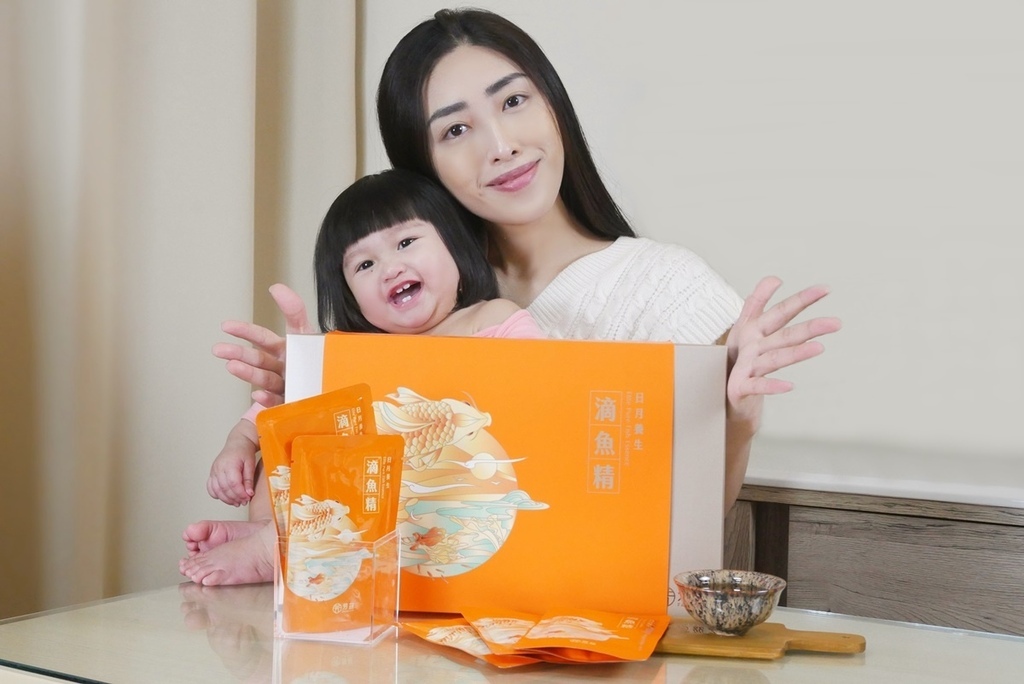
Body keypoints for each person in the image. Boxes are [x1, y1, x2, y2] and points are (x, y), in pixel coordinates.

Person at [184, 8, 840, 586]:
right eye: (455, 130)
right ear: (422, 165)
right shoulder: (410, 302)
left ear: (553, 105)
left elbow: (680, 534)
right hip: (409, 629)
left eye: (514, 101)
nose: (502, 146)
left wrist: (735, 419)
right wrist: (300, 395)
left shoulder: (667, 287)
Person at [182, 168, 543, 585]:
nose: (390, 269)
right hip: (365, 499)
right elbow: (264, 417)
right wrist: (238, 446)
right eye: (365, 264)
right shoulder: (355, 351)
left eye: (405, 243)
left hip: (451, 485)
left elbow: (545, 391)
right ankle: (271, 532)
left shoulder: (491, 317)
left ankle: (273, 550)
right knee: (290, 437)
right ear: (350, 296)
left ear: (454, 243)